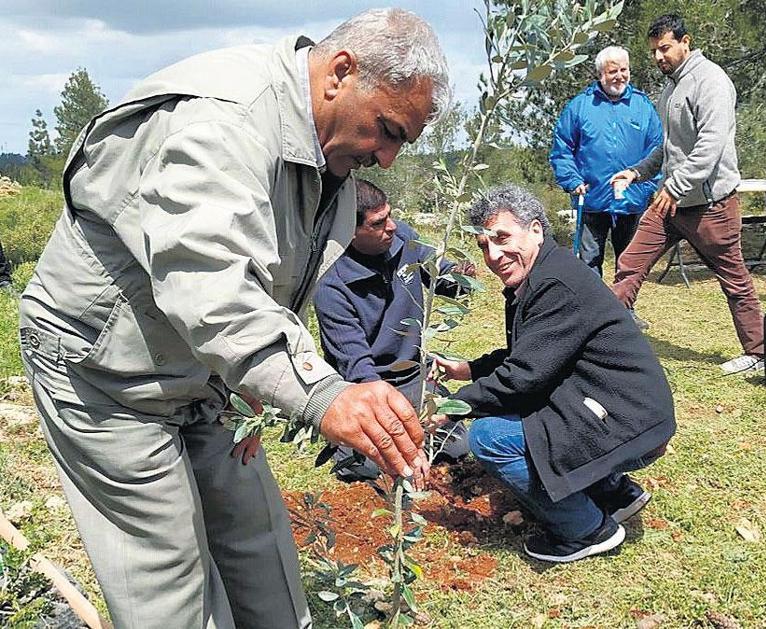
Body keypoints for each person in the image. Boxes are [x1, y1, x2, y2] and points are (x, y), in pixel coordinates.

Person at [18, 9, 449, 628]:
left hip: (205, 373)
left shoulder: (329, 155)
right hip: (105, 373)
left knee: (261, 553)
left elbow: (264, 286)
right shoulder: (226, 121)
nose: (386, 157)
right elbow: (211, 290)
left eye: (401, 140)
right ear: (341, 73)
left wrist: (256, 390)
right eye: (386, 129)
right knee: (171, 584)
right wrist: (323, 394)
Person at [431, 185, 675, 563]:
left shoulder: (553, 284)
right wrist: (469, 370)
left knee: (489, 437)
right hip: (629, 411)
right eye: (484, 245)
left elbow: (524, 374)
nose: (493, 255)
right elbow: (530, 353)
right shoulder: (544, 272)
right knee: (533, 412)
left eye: (502, 238)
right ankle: (614, 493)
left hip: (631, 423)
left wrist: (453, 407)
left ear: (536, 230)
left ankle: (586, 529)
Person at [610, 14, 765, 374]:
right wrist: (637, 172)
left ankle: (758, 354)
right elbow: (669, 148)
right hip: (672, 202)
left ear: (685, 41)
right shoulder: (670, 88)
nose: (658, 57)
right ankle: (606, 344)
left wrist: (676, 186)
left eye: (664, 48)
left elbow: (710, 147)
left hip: (711, 205)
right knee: (630, 264)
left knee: (735, 280)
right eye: (653, 52)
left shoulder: (711, 81)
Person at [314, 178, 471, 480]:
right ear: (350, 230)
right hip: (369, 388)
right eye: (378, 222)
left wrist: (459, 276)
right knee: (371, 469)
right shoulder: (332, 285)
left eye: (389, 215)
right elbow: (359, 370)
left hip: (415, 374)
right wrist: (399, 432)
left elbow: (443, 277)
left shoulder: (403, 240)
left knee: (456, 448)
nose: (392, 226)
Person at [550, 46, 662, 286]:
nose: (619, 76)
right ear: (600, 74)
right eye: (613, 71)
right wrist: (572, 180)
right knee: (588, 261)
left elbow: (657, 151)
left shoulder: (643, 107)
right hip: (591, 199)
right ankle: (594, 317)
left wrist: (645, 188)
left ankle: (625, 313)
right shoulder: (580, 106)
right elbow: (562, 148)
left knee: (630, 262)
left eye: (624, 70)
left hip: (633, 199)